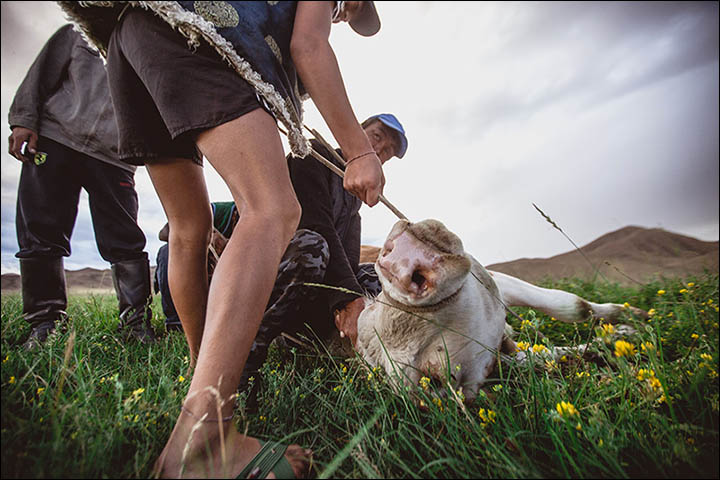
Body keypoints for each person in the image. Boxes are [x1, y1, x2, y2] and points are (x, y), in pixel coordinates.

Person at [59, 1, 387, 478]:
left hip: (137, 35)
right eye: (352, 8)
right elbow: (308, 46)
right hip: (197, 33)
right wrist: (358, 151)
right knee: (272, 209)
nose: (343, 13)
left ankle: (207, 394)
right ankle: (204, 440)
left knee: (189, 227)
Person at [154, 115, 408, 391]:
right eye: (378, 137)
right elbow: (313, 223)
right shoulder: (313, 156)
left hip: (308, 290)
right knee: (311, 247)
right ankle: (244, 351)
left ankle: (373, 348)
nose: (379, 151)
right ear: (357, 131)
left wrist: (352, 297)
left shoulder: (353, 204)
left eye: (387, 152)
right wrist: (346, 299)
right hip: (265, 281)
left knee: (373, 275)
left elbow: (346, 261)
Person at [7, 24, 156, 350]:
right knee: (40, 230)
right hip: (56, 137)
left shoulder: (155, 37)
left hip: (117, 153)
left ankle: (135, 324)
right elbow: (41, 73)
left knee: (125, 237)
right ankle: (46, 322)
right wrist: (23, 119)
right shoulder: (78, 30)